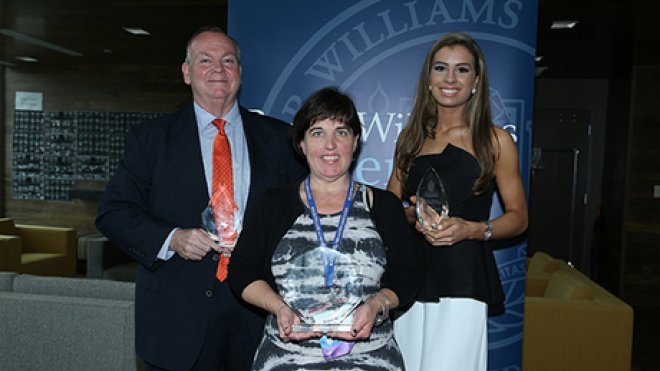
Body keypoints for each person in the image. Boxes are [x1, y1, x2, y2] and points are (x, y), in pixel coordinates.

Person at [96, 26, 305, 371]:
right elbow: (114, 212)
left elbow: (303, 216)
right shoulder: (150, 139)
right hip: (175, 322)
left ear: (240, 72)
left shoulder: (281, 140)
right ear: (186, 72)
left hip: (259, 319)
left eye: (228, 61)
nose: (218, 70)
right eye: (205, 60)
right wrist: (172, 238)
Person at [228, 87, 422, 370]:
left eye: (341, 132)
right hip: (287, 359)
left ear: (355, 141)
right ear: (302, 144)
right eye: (317, 133)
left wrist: (376, 305)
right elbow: (242, 270)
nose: (330, 145)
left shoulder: (384, 205)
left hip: (370, 360)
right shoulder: (273, 204)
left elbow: (409, 275)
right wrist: (279, 308)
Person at [387, 31, 529, 371]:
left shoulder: (495, 141)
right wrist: (414, 216)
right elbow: (389, 209)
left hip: (464, 278)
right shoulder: (411, 138)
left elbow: (519, 217)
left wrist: (472, 229)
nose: (450, 79)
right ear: (429, 78)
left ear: (476, 81)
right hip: (412, 275)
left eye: (462, 70)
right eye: (441, 68)